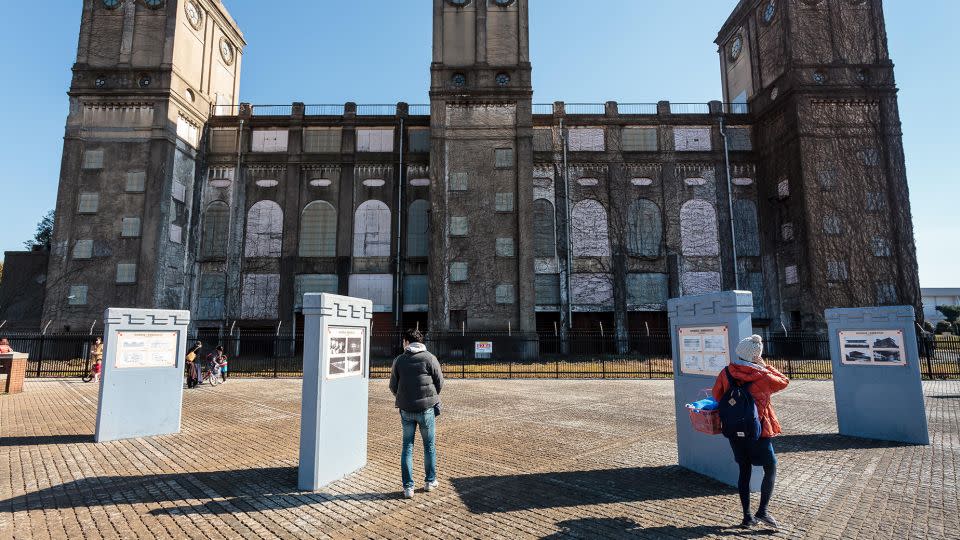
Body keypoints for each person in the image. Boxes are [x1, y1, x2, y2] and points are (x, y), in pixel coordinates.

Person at [712, 334, 789, 530]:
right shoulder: (763, 376)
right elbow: (784, 381)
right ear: (756, 355)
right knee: (770, 467)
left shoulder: (726, 373)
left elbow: (717, 395)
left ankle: (747, 517)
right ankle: (762, 511)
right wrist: (764, 366)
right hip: (759, 431)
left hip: (735, 430)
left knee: (744, 470)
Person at [389, 328, 444, 499]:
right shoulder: (430, 358)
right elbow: (439, 382)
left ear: (406, 341)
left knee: (407, 447)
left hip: (406, 410)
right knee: (429, 446)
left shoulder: (399, 360)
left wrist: (404, 396)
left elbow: (393, 386)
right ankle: (430, 481)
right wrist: (431, 397)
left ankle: (408, 488)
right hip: (426, 409)